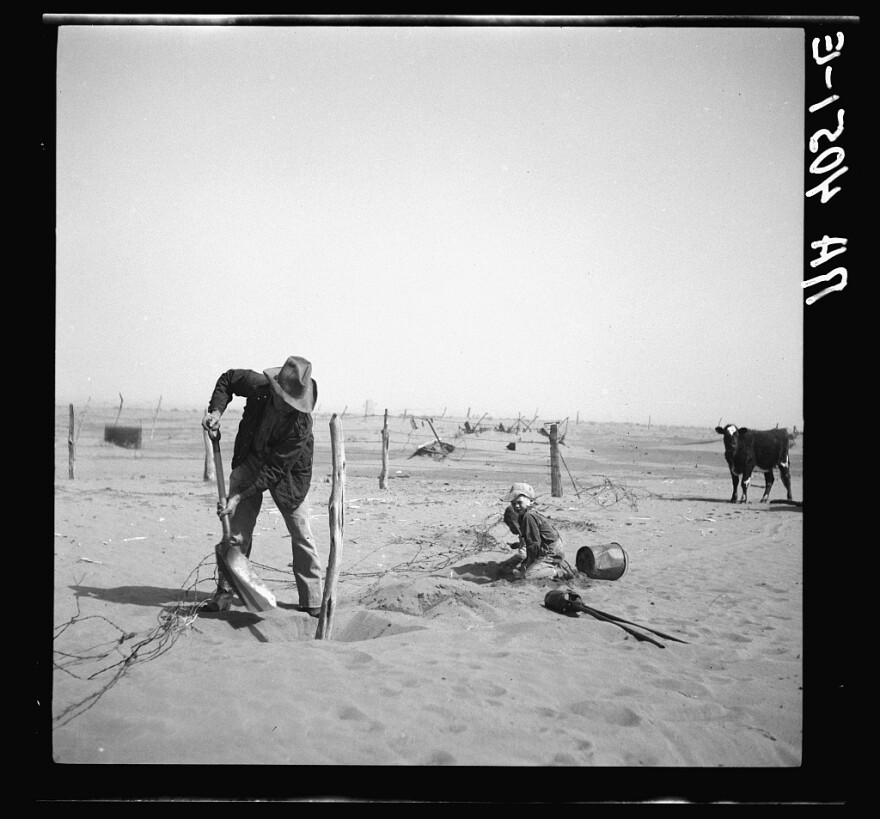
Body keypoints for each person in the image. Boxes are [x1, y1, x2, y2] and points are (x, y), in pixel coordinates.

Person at [200, 356, 323, 614]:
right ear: (275, 387)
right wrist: (215, 411)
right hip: (250, 458)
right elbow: (228, 379)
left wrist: (238, 495)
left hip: (288, 473)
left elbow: (275, 469)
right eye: (283, 398)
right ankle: (225, 592)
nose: (286, 405)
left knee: (302, 533)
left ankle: (312, 600)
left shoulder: (301, 425)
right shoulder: (257, 386)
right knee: (236, 532)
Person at [501, 483, 573, 581]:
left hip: (551, 551)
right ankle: (556, 564)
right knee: (525, 569)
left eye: (519, 502)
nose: (516, 506)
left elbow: (533, 544)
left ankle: (559, 571)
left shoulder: (528, 516)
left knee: (527, 575)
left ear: (530, 501)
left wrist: (529, 563)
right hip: (548, 548)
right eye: (513, 503)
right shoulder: (526, 514)